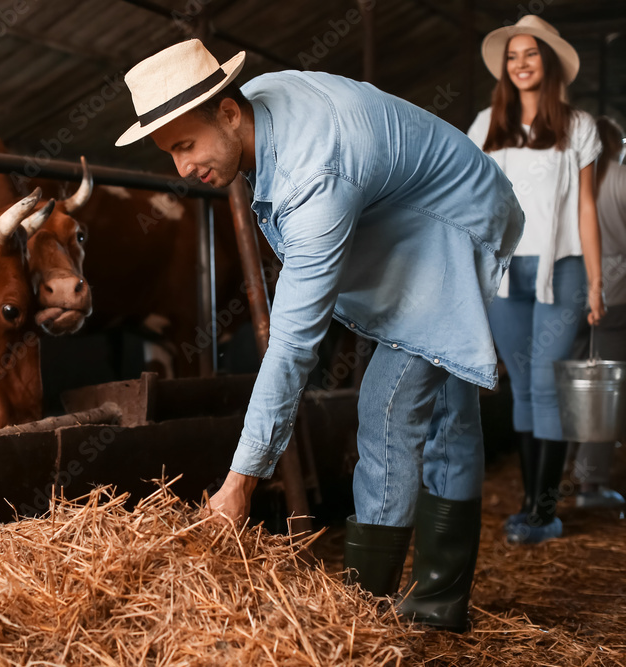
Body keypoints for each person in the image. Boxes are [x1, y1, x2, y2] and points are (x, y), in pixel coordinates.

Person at [115, 39, 523, 631]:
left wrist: (240, 483)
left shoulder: (313, 175)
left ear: (229, 113)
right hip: (426, 209)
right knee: (450, 415)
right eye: (169, 152)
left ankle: (361, 618)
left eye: (185, 145)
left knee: (387, 409)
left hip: (454, 223)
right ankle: (442, 602)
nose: (182, 169)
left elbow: (292, 346)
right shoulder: (260, 107)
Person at [466, 15, 605, 544]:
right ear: (506, 67)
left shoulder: (579, 127)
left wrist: (595, 282)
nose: (521, 63)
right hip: (505, 274)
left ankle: (545, 512)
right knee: (522, 386)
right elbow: (470, 199)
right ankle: (530, 505)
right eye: (513, 56)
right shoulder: (486, 126)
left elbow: (586, 209)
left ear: (547, 63)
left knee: (547, 384)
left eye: (531, 54)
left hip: (563, 269)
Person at [570, 116, 626, 508]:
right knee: (605, 389)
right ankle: (590, 484)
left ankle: (566, 465)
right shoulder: (621, 180)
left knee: (571, 379)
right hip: (613, 294)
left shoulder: (574, 182)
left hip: (568, 290)